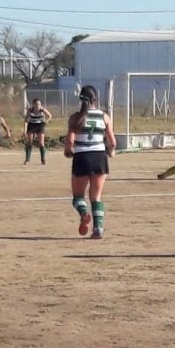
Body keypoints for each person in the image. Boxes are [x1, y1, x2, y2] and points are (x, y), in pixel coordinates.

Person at [64, 86, 117, 239]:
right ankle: (98, 229)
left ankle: (84, 212)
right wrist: (111, 151)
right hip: (99, 157)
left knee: (78, 197)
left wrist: (68, 151)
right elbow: (112, 142)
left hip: (82, 157)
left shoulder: (75, 118)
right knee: (96, 197)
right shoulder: (104, 117)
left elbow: (70, 140)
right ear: (95, 99)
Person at [23, 98, 53, 165]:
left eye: (39, 104)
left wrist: (46, 122)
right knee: (29, 141)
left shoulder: (42, 109)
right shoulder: (30, 110)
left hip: (40, 125)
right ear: (33, 104)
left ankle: (43, 160)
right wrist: (25, 130)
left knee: (41, 142)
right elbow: (26, 120)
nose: (38, 105)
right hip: (32, 125)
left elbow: (50, 115)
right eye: (36, 104)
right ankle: (27, 160)